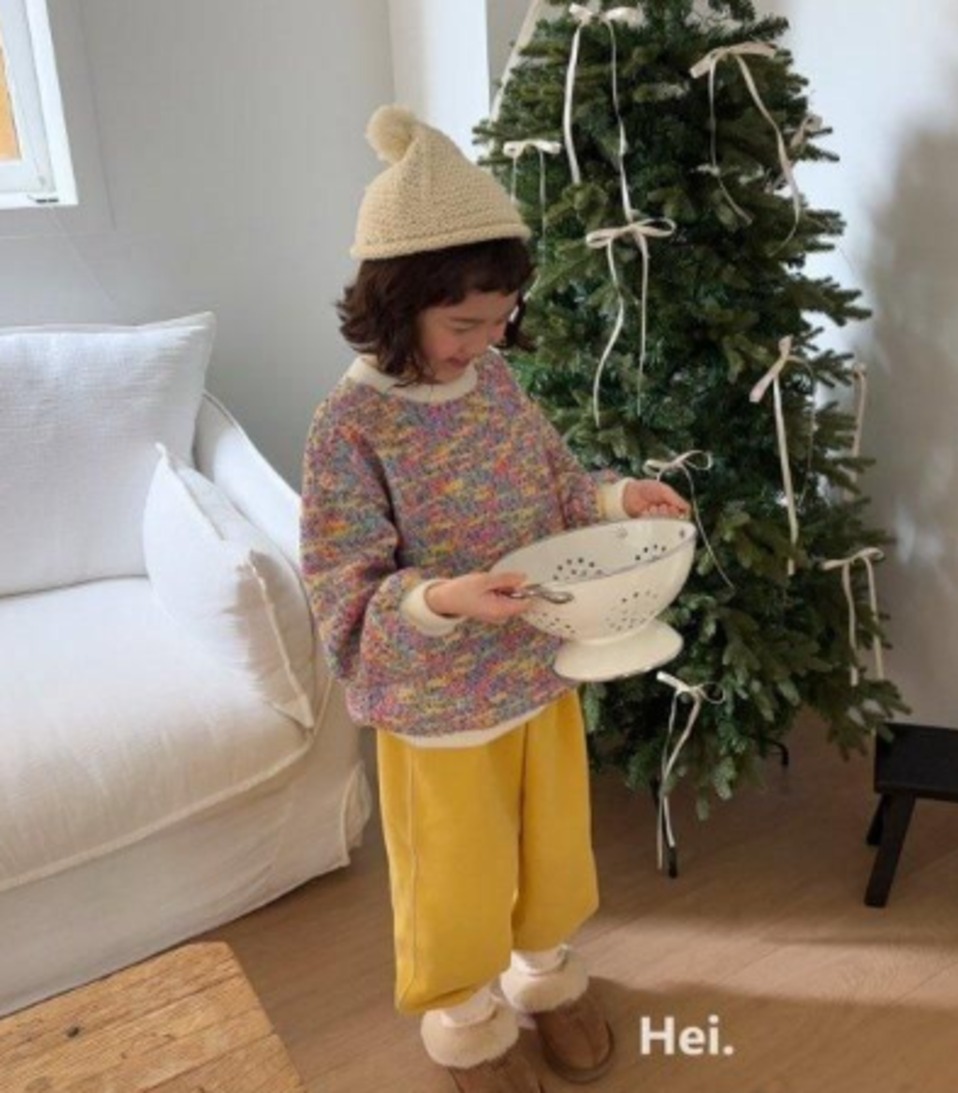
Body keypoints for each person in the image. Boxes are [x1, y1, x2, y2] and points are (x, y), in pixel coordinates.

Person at [301, 105, 689, 1092]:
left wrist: (619, 499)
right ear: (395, 305)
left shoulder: (496, 382)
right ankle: (467, 1018)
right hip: (438, 704)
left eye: (501, 318)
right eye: (464, 324)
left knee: (550, 847)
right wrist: (441, 599)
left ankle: (546, 975)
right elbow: (341, 579)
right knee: (454, 871)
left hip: (533, 666)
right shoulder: (350, 424)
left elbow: (556, 487)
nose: (486, 340)